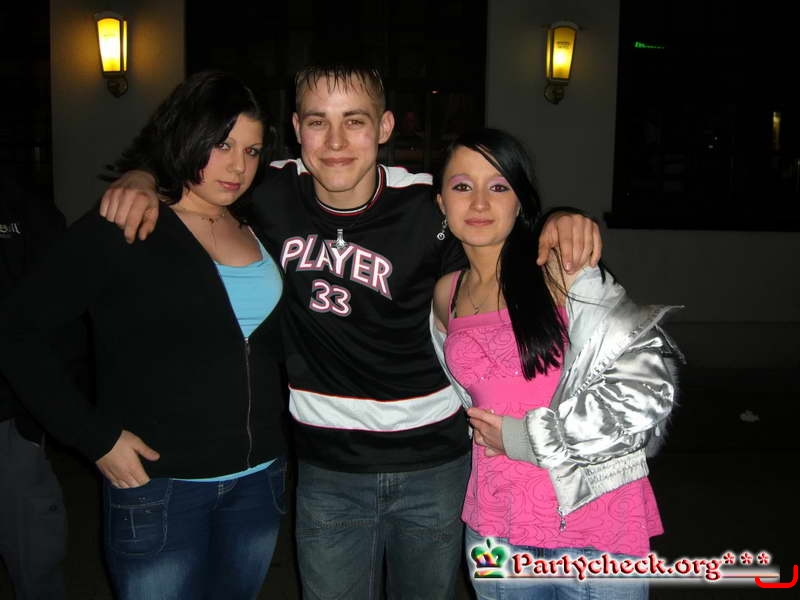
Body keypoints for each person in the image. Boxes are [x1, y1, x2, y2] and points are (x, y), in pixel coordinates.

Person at [98, 63, 602, 600]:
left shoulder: (429, 203)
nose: (336, 142)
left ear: (385, 127)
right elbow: (195, 172)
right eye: (318, 122)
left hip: (434, 464)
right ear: (297, 128)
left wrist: (561, 218)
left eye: (355, 121)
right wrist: (142, 177)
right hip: (327, 468)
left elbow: (500, 227)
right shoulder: (267, 189)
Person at [0, 70, 288, 600]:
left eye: (251, 151)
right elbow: (17, 333)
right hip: (160, 488)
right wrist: (93, 436)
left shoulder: (260, 224)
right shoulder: (126, 224)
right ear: (186, 135)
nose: (237, 166)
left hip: (259, 480)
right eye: (221, 144)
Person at [430, 128, 681, 600]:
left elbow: (647, 389)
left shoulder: (562, 272)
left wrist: (524, 439)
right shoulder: (447, 294)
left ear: (520, 202)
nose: (479, 202)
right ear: (441, 201)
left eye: (498, 186)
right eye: (462, 186)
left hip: (597, 527)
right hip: (496, 525)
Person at [0, 166, 74, 600]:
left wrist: (40, 410)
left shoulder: (21, 202)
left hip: (9, 415)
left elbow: (58, 306)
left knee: (35, 556)